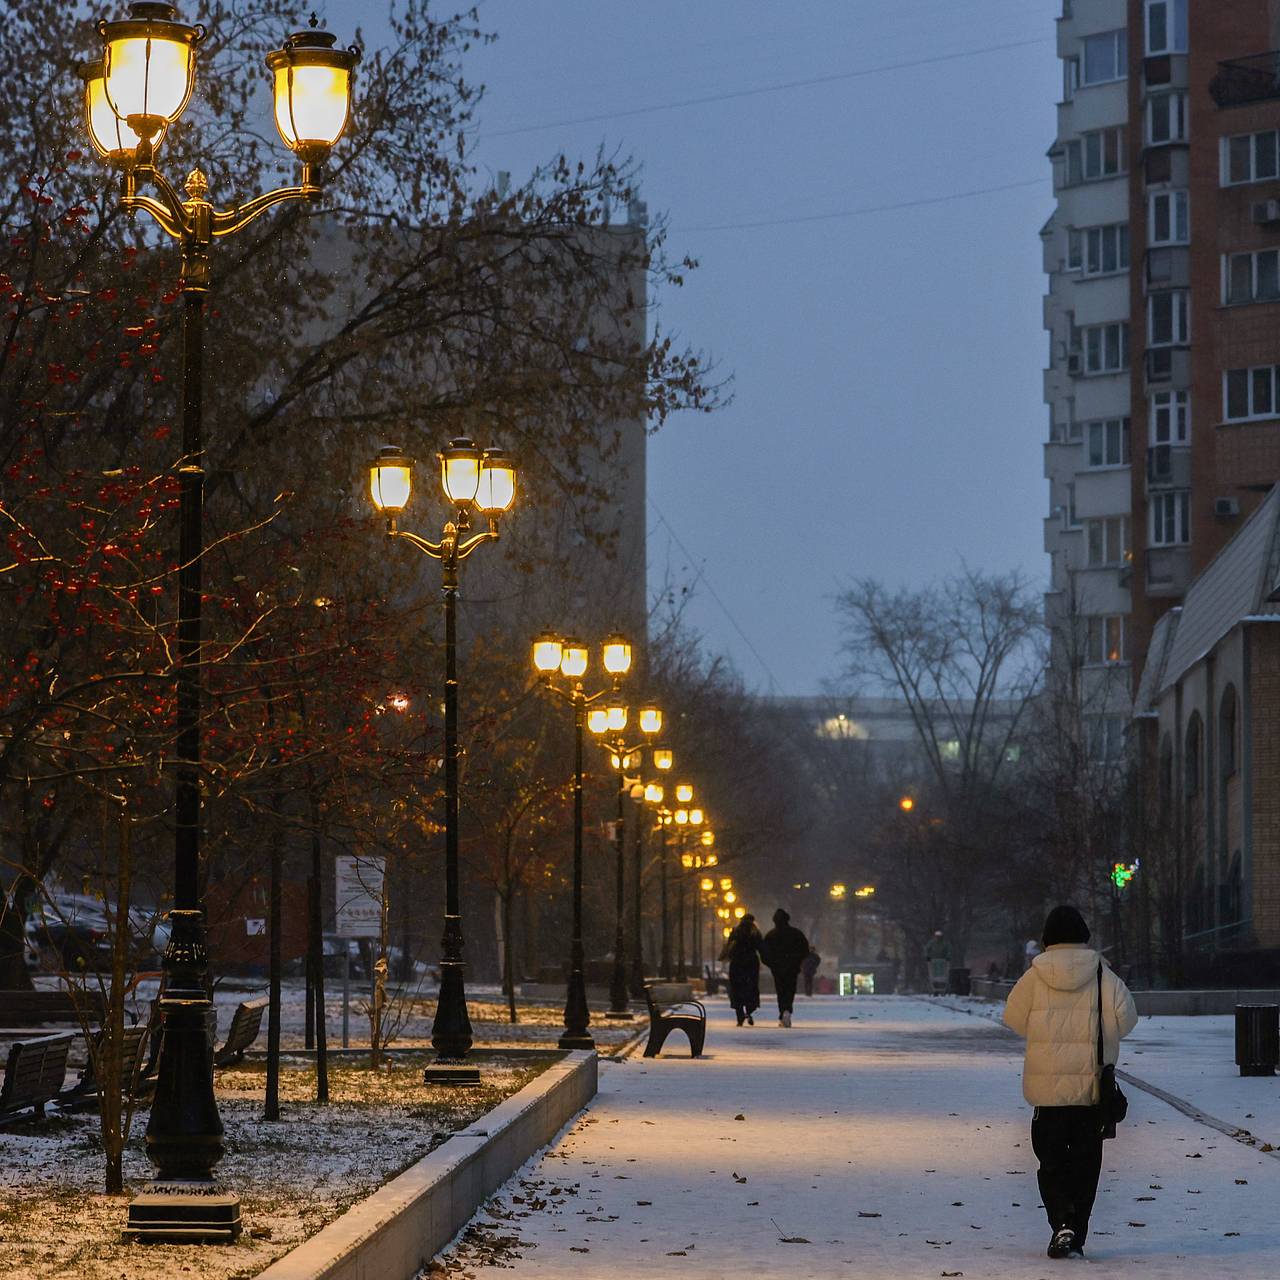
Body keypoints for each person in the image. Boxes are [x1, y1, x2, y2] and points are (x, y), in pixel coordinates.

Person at [1003, 904, 1137, 1262]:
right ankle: (1076, 1230)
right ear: (1084, 936)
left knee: (1050, 1162)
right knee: (1086, 1164)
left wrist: (1046, 1033)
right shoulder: (1102, 976)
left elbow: (1013, 1018)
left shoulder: (1033, 977)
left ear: (1047, 939)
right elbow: (1127, 1020)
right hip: (1090, 1092)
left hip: (1047, 1094)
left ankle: (1060, 1221)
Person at [760, 908, 809, 1026]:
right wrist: (797, 962)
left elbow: (764, 953)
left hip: (777, 968)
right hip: (792, 968)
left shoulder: (771, 935)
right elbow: (805, 950)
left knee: (780, 990)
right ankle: (787, 1009)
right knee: (790, 990)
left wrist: (772, 964)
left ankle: (783, 1011)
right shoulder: (796, 934)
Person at [722, 914, 762, 1026]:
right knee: (751, 988)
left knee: (737, 989)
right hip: (751, 963)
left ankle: (740, 1015)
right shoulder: (755, 932)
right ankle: (749, 1010)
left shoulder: (735, 931)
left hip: (737, 963)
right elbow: (761, 947)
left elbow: (728, 946)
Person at [924, 929, 950, 994]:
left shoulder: (945, 943)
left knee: (943, 973)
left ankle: (943, 988)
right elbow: (927, 949)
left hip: (943, 960)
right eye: (937, 936)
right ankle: (933, 988)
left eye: (939, 936)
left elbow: (949, 950)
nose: (938, 937)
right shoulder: (931, 943)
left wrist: (948, 956)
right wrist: (927, 956)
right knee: (933, 973)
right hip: (933, 960)